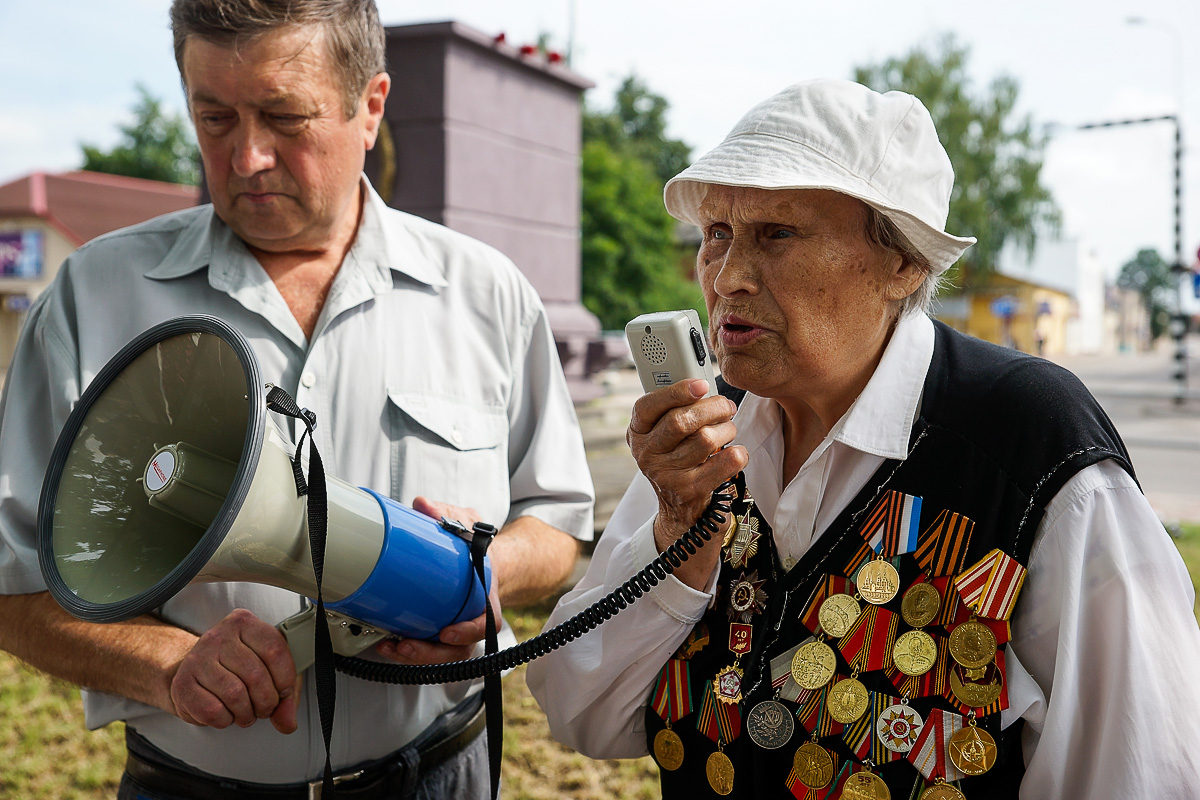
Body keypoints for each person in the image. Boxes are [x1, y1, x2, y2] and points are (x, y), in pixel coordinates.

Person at [527, 79, 1200, 799]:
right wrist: (676, 536)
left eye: (776, 234)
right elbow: (582, 717)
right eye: (716, 233)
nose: (726, 278)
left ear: (903, 262)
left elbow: (1139, 770)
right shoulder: (706, 436)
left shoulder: (1031, 442)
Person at [0, 1, 594, 798]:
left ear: (371, 105)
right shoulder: (90, 296)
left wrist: (483, 575)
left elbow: (556, 525)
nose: (246, 157)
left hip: (439, 771)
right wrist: (171, 666)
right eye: (214, 117)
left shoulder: (487, 295)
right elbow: (16, 586)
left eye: (285, 116)